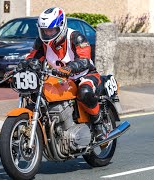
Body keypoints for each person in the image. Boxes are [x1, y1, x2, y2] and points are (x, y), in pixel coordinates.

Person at [19, 7, 103, 135]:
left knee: (84, 92)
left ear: (61, 26)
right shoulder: (42, 42)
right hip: (61, 78)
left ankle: (98, 124)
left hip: (85, 75)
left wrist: (69, 68)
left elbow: (85, 60)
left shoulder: (76, 37)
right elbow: (33, 58)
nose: (48, 33)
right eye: (45, 30)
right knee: (38, 93)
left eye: (51, 30)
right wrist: (19, 68)